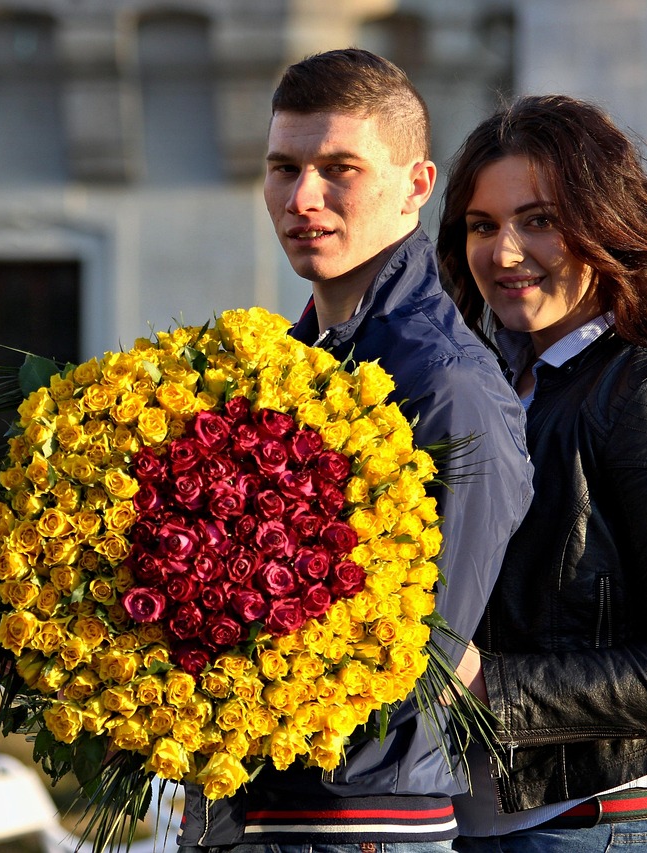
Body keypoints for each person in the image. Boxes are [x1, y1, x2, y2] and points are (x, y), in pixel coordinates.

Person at [177, 48, 534, 852]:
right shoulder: (280, 366)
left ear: (417, 184)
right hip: (255, 815)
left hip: (359, 823)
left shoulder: (449, 385)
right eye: (283, 167)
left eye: (339, 168)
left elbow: (423, 656)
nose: (303, 198)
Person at [436, 94, 647, 852]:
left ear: (603, 224)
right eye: (483, 226)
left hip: (610, 827)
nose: (505, 252)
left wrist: (490, 686)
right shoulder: (491, 394)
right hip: (488, 826)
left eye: (539, 219)